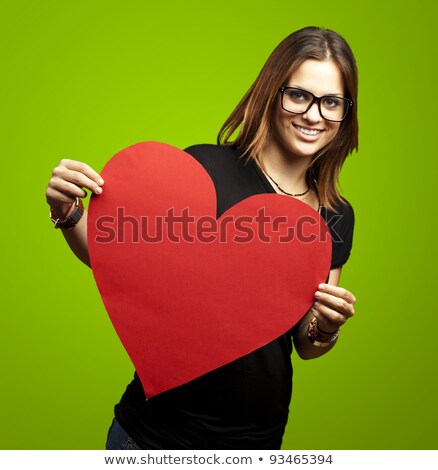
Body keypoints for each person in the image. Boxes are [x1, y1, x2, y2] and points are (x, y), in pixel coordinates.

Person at [46, 26, 357, 449]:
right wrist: (68, 213)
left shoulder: (335, 214)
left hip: (253, 443)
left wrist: (328, 327)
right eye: (299, 95)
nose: (314, 114)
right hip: (150, 436)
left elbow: (307, 343)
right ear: (272, 93)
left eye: (331, 102)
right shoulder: (205, 170)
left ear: (345, 112)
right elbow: (120, 262)